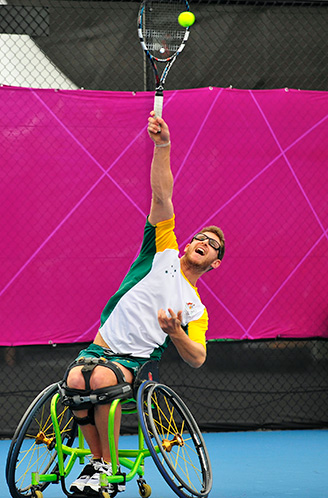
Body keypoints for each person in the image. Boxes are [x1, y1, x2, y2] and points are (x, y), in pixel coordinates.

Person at [62, 111, 225, 496]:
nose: (203, 242)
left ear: (214, 263)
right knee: (74, 381)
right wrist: (163, 146)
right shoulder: (162, 248)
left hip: (134, 362)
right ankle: (99, 463)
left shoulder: (195, 309)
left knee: (99, 382)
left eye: (213, 245)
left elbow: (198, 356)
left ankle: (107, 468)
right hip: (99, 346)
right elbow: (161, 194)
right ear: (188, 244)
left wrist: (175, 333)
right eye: (201, 236)